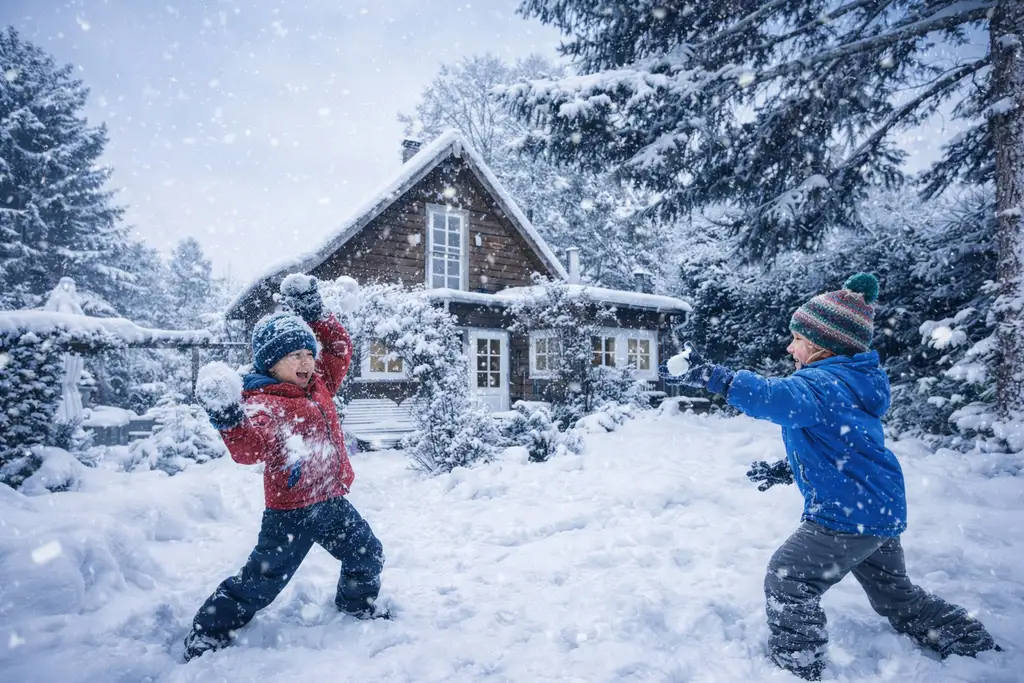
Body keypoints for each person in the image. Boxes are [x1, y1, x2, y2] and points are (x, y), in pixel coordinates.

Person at [662, 273, 999, 680]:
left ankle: (799, 666)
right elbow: (843, 445)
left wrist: (714, 377)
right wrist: (790, 468)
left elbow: (773, 398)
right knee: (895, 595)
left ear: (823, 345)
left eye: (797, 339)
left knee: (788, 577)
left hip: (846, 514)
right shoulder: (851, 382)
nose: (790, 347)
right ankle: (969, 640)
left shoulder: (819, 383)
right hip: (875, 507)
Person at [183, 274, 387, 663]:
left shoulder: (319, 385)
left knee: (367, 554)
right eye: (295, 356)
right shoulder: (264, 404)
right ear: (271, 364)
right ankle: (209, 630)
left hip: (330, 502)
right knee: (260, 583)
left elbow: (340, 349)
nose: (307, 362)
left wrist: (316, 315)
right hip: (289, 514)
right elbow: (247, 449)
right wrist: (228, 416)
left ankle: (355, 604)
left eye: (308, 354)